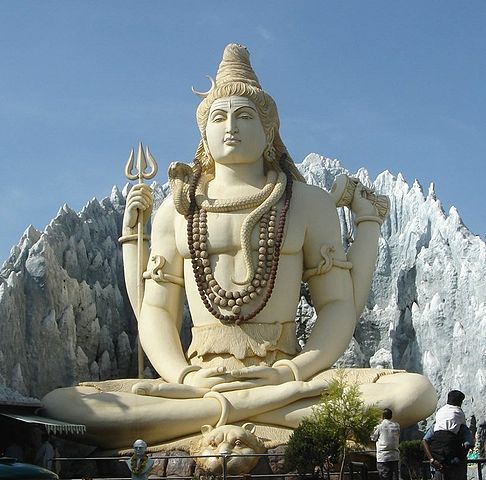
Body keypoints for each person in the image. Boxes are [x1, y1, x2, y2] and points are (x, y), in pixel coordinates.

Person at [42, 43, 437, 450]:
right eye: (219, 116)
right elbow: (156, 309)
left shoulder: (307, 202)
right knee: (65, 404)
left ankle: (206, 414)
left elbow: (337, 306)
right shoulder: (176, 210)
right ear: (204, 132)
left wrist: (291, 373)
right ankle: (256, 410)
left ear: (269, 132)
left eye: (245, 116)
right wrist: (181, 376)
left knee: (413, 394)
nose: (231, 126)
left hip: (283, 372)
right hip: (200, 376)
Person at [422, 390, 474, 480]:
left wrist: (432, 460)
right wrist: (460, 457)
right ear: (459, 402)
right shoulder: (459, 417)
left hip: (438, 463)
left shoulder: (437, 424)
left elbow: (424, 441)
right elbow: (468, 443)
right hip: (454, 463)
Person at [371, 408, 400, 480]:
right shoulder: (397, 426)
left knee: (384, 477)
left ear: (382, 416)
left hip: (383, 457)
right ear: (391, 416)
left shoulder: (379, 426)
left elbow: (373, 438)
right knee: (394, 477)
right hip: (394, 456)